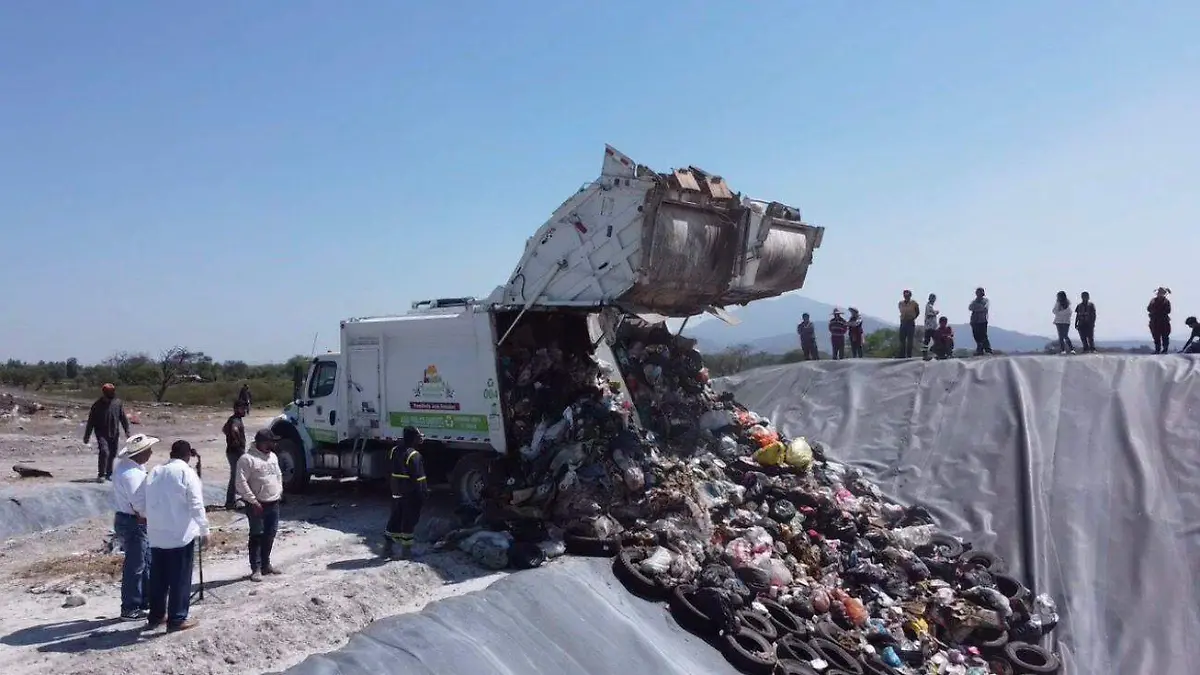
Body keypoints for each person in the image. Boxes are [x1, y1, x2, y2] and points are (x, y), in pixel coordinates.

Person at [132, 440, 208, 633]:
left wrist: (148, 515)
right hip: (180, 535)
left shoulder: (155, 472)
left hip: (157, 535)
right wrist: (204, 529)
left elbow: (138, 500)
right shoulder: (187, 473)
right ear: (188, 455)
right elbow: (196, 504)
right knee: (180, 579)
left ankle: (157, 616)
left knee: (159, 579)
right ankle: (177, 619)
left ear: (171, 454)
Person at [112, 433, 159, 621]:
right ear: (140, 453)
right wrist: (150, 517)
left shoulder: (127, 468)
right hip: (135, 521)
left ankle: (144, 600)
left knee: (145, 561)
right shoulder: (132, 475)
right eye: (148, 450)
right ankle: (130, 607)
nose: (151, 453)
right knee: (136, 565)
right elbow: (139, 504)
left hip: (129, 519)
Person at [235, 429, 284, 581]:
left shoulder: (273, 457)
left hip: (273, 502)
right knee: (257, 535)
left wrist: (280, 491)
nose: (274, 444)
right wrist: (252, 500)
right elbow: (240, 483)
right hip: (257, 504)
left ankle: (266, 565)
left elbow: (278, 475)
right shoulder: (247, 459)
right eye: (271, 441)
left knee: (270, 534)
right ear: (263, 442)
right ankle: (255, 568)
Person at [384, 426, 429, 560]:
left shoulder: (394, 450)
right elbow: (419, 478)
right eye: (418, 435)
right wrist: (424, 493)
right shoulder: (414, 455)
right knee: (410, 520)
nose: (421, 437)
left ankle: (387, 549)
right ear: (413, 438)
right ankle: (406, 552)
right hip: (411, 493)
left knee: (395, 518)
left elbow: (388, 470)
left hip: (397, 491)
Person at [83, 383, 131, 483]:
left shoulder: (117, 403)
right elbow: (91, 421)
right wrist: (87, 436)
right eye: (110, 392)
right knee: (104, 451)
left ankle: (109, 474)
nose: (112, 393)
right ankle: (101, 474)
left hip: (114, 432)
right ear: (105, 392)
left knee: (113, 454)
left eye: (113, 391)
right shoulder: (97, 405)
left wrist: (127, 431)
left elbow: (123, 418)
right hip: (101, 433)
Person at [222, 402, 248, 510]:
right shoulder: (235, 420)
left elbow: (224, 429)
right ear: (237, 409)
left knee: (237, 476)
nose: (245, 411)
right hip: (236, 451)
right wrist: (237, 440)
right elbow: (233, 429)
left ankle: (233, 500)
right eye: (243, 408)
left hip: (233, 451)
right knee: (236, 477)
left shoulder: (233, 419)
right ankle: (230, 502)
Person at [968, 287, 994, 355]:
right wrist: (978, 307)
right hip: (974, 321)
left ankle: (988, 350)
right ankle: (980, 349)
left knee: (983, 336)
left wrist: (976, 307)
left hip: (982, 320)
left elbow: (984, 308)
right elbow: (970, 307)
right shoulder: (974, 301)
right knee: (976, 335)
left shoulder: (986, 300)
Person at [897, 290, 921, 358]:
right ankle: (902, 354)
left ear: (910, 296)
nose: (906, 296)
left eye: (907, 295)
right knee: (902, 339)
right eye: (905, 295)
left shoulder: (914, 303)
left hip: (910, 322)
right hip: (903, 322)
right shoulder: (901, 303)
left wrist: (913, 317)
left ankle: (909, 355)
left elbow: (917, 312)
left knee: (910, 340)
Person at [1148, 287, 1172, 354]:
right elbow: (1148, 309)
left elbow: (1168, 310)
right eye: (1159, 293)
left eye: (1162, 293)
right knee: (1156, 336)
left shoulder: (1166, 301)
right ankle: (1157, 349)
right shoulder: (1153, 301)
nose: (1160, 294)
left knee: (1165, 336)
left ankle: (1165, 349)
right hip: (1155, 321)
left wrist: (1160, 310)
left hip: (1164, 321)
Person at [922, 293, 940, 357]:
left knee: (935, 340)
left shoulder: (930, 306)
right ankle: (925, 353)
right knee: (928, 340)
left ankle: (933, 351)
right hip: (929, 327)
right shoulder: (928, 306)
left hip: (932, 326)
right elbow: (928, 314)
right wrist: (935, 313)